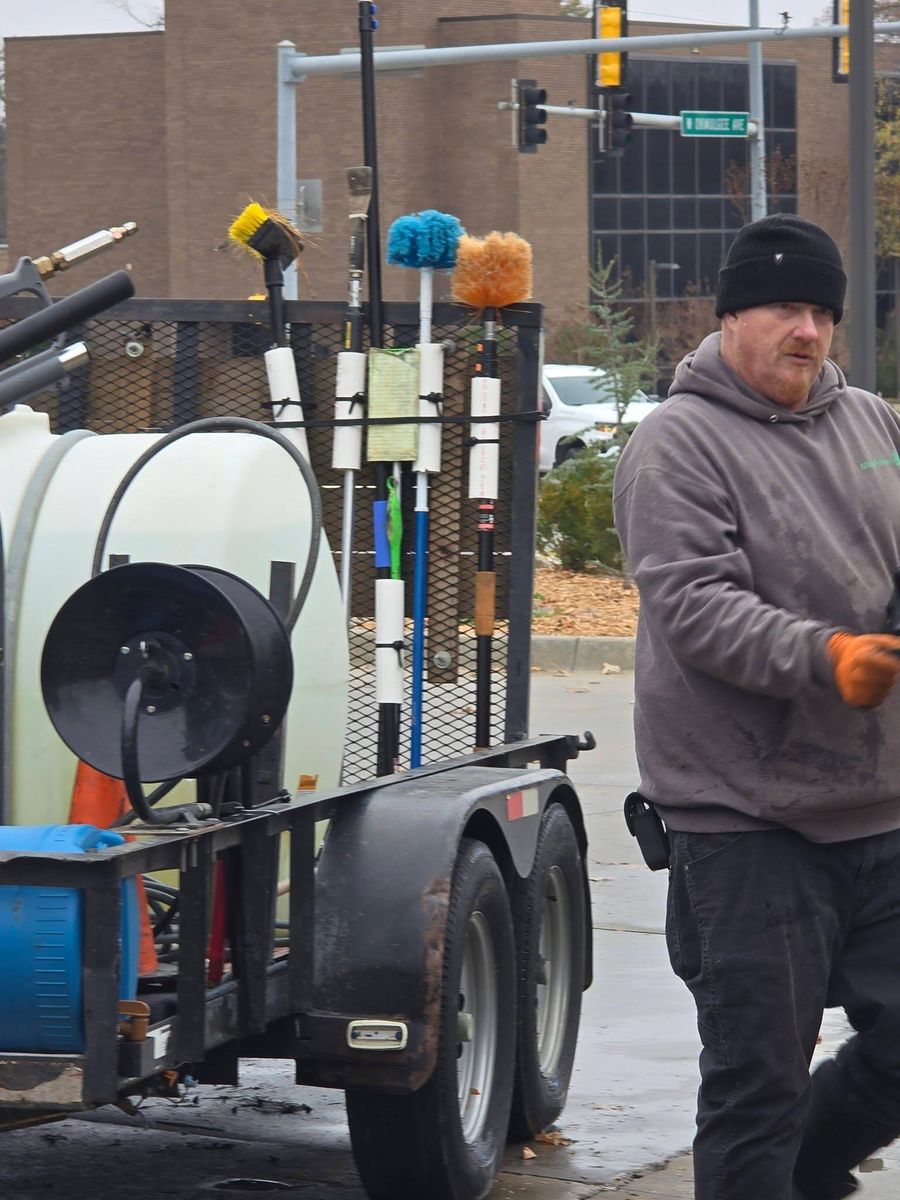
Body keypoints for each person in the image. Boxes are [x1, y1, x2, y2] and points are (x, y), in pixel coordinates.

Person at [613, 213, 900, 1200]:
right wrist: (827, 657)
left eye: (822, 311)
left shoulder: (873, 424)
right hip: (743, 823)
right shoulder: (677, 443)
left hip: (880, 810)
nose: (809, 331)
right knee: (755, 1088)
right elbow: (694, 606)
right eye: (787, 307)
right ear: (731, 315)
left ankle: (810, 1171)